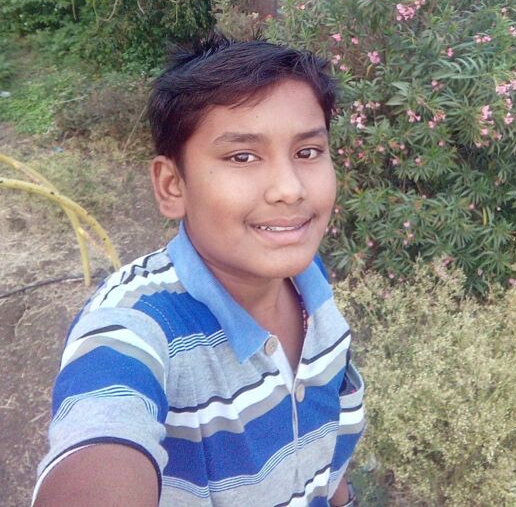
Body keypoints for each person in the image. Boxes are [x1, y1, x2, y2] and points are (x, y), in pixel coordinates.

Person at [33, 33, 364, 506]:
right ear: (172, 186)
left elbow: (327, 451)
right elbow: (102, 432)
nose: (290, 189)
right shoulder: (137, 324)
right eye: (242, 156)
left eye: (307, 152)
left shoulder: (311, 282)